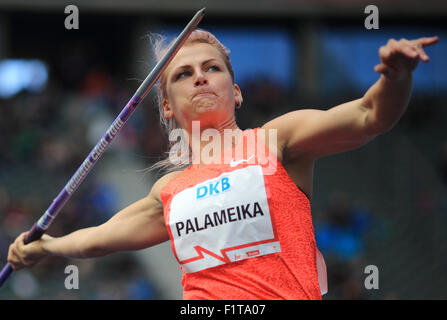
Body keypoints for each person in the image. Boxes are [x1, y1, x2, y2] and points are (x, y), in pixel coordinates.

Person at [7, 29, 439, 300]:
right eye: (182, 74)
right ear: (168, 108)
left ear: (235, 91)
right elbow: (98, 239)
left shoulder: (278, 141)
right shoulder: (170, 192)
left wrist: (395, 78)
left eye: (212, 68)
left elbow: (369, 116)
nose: (199, 77)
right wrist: (44, 247)